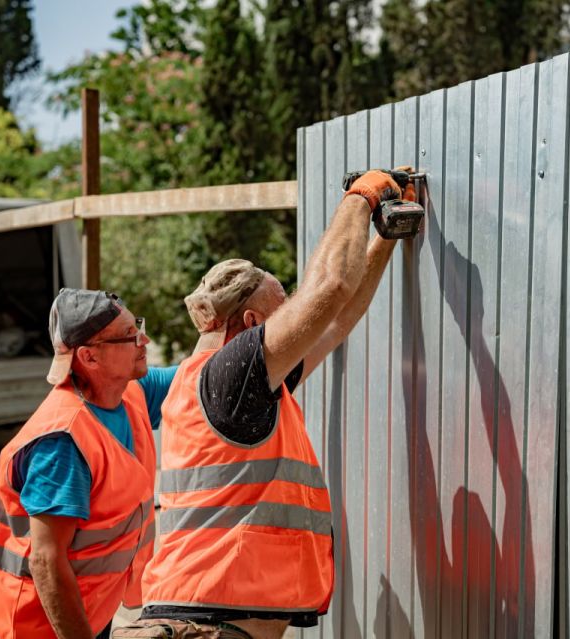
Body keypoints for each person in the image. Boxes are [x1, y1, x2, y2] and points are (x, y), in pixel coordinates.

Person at [120, 169, 420, 639]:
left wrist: (384, 237)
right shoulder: (231, 373)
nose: (295, 323)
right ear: (252, 322)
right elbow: (329, 290)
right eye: (286, 313)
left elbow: (333, 322)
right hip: (206, 625)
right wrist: (363, 194)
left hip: (204, 617)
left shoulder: (227, 385)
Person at [0, 288, 178, 639]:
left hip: (88, 614)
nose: (143, 340)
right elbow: (46, 562)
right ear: (90, 356)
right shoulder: (63, 443)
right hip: (37, 628)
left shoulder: (131, 394)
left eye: (138, 326)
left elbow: (198, 374)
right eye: (130, 335)